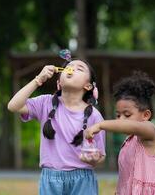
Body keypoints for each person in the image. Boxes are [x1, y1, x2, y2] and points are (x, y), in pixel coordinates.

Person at [7, 57, 106, 195]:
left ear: (88, 86)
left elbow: (101, 155)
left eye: (80, 68)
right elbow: (13, 106)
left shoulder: (94, 116)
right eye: (69, 66)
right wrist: (38, 80)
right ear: (59, 82)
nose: (72, 69)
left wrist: (94, 159)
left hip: (83, 179)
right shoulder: (45, 103)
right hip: (50, 179)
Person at [85, 71, 155, 195]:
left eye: (127, 115)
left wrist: (100, 125)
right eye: (118, 115)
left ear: (146, 115)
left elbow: (129, 126)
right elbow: (126, 178)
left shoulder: (150, 131)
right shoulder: (128, 142)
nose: (121, 120)